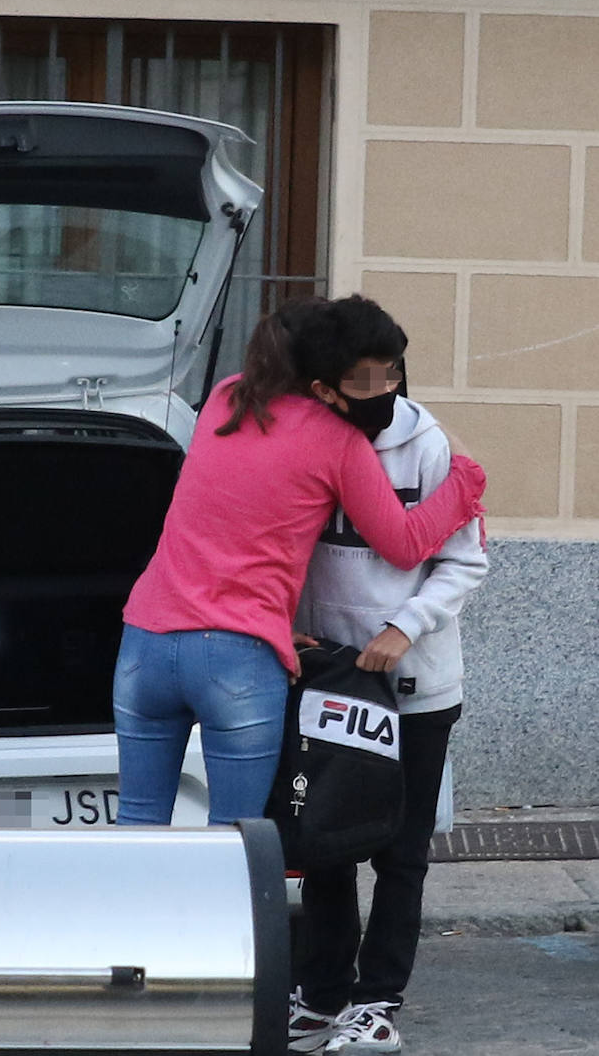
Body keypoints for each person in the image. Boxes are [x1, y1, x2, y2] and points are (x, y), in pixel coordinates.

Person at [111, 296, 486, 829]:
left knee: (138, 820)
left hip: (145, 640)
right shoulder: (336, 439)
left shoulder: (225, 398)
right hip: (237, 653)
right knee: (237, 836)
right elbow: (404, 545)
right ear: (323, 381)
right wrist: (467, 479)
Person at [287, 297, 488, 1056]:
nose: (382, 390)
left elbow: (465, 558)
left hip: (417, 688)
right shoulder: (306, 441)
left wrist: (405, 627)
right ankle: (322, 995)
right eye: (363, 378)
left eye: (392, 373)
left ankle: (378, 1003)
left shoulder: (427, 445)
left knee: (402, 855)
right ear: (323, 386)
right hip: (330, 682)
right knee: (325, 845)